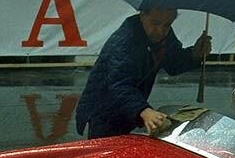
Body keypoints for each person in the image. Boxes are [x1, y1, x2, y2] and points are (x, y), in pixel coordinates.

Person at [75, 8, 212, 139]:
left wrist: (194, 54)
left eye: (167, 24)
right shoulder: (124, 42)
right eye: (155, 23)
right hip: (103, 111)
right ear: (142, 15)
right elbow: (119, 84)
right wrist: (144, 111)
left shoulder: (165, 36)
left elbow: (173, 62)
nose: (160, 31)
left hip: (130, 108)